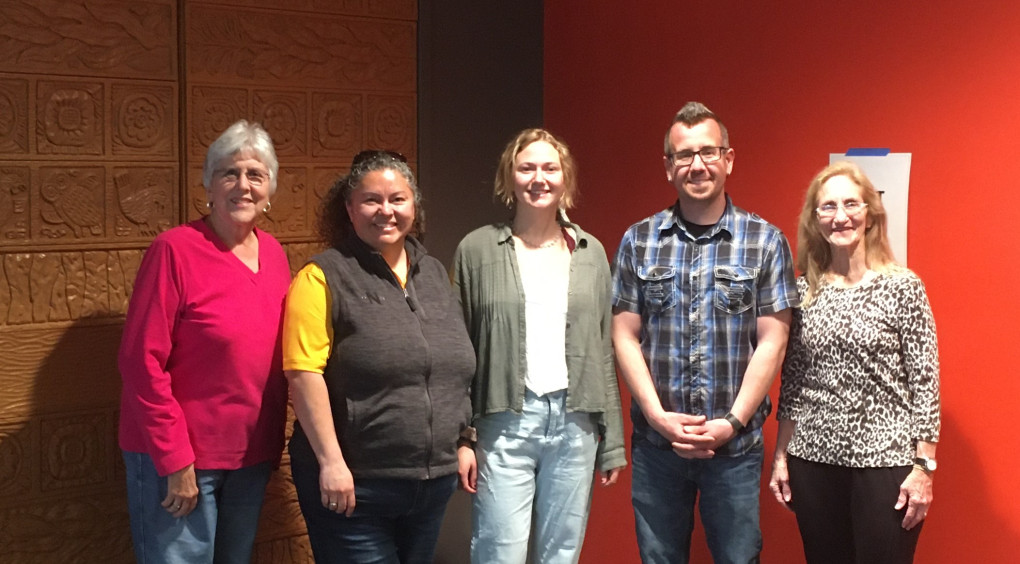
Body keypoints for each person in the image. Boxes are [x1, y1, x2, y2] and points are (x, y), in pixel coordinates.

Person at [611, 101, 798, 563]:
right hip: (658, 448)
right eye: (684, 155)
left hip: (734, 450)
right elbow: (623, 335)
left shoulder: (766, 241)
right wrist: (657, 417)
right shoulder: (639, 240)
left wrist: (730, 423)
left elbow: (773, 341)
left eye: (709, 152)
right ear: (668, 167)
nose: (698, 165)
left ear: (728, 159)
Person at [283, 150, 476, 563]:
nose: (385, 211)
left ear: (414, 206)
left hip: (429, 486)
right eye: (371, 200)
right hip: (354, 486)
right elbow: (303, 375)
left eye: (397, 199)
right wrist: (331, 463)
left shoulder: (434, 275)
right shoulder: (322, 276)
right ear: (350, 209)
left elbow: (453, 365)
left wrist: (462, 440)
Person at [118, 120, 291, 563]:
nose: (243, 186)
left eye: (256, 174)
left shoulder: (274, 254)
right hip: (180, 458)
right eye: (228, 173)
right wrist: (174, 459)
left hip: (249, 456)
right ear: (208, 184)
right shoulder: (174, 250)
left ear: (270, 189)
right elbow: (141, 361)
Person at [453, 128, 627, 564]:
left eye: (550, 168)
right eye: (526, 167)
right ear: (508, 178)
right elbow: (458, 351)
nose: (538, 178)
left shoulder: (590, 252)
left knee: (562, 554)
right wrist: (462, 437)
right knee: (498, 551)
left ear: (565, 178)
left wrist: (613, 442)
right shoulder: (476, 250)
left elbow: (602, 350)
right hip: (505, 424)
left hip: (576, 424)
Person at [768, 161, 940, 564]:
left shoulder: (903, 286)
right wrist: (781, 457)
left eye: (851, 204)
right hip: (812, 462)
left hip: (887, 466)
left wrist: (924, 469)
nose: (840, 216)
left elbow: (925, 383)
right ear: (814, 219)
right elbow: (793, 382)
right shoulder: (803, 291)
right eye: (827, 207)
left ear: (870, 213)